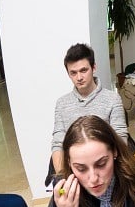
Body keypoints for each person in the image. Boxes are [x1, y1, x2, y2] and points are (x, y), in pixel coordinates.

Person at [51, 43, 127, 176]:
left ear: (94, 68)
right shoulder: (62, 104)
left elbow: (120, 140)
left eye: (83, 70)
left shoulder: (112, 99)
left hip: (106, 167)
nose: (79, 77)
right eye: (73, 73)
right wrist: (63, 178)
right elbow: (58, 143)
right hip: (75, 169)